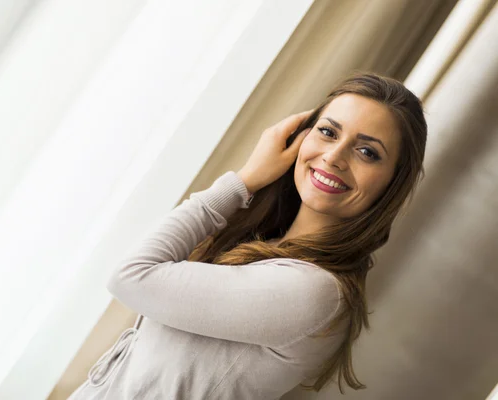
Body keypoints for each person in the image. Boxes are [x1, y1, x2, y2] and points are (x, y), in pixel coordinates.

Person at [67, 72, 427, 399]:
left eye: (367, 152)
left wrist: (244, 179)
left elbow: (131, 276)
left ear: (392, 183)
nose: (333, 156)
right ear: (300, 134)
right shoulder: (268, 250)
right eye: (328, 132)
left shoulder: (313, 291)